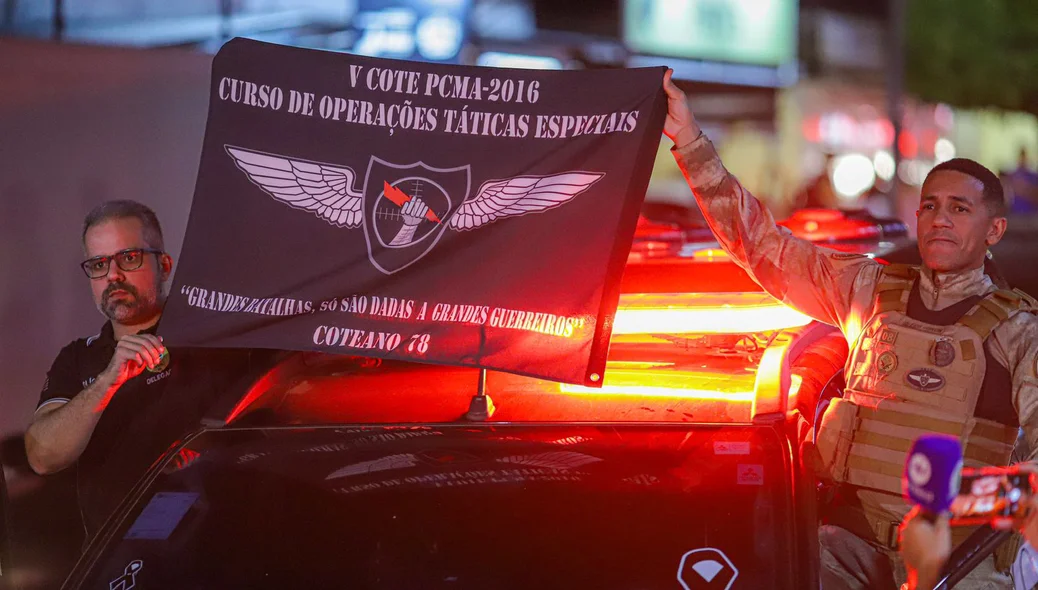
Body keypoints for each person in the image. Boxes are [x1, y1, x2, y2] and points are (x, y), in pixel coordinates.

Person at [662, 69, 1038, 589]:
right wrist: (688, 142)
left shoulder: (1020, 330)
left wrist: (953, 510)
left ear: (994, 228)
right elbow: (763, 246)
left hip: (959, 558)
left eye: (959, 208)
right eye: (929, 205)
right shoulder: (868, 288)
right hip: (844, 546)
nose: (940, 219)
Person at [24, 200, 268, 542]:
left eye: (129, 257)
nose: (113, 275)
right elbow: (42, 457)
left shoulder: (217, 336)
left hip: (226, 552)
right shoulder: (78, 358)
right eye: (98, 264)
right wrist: (107, 382)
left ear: (164, 266)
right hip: (123, 566)